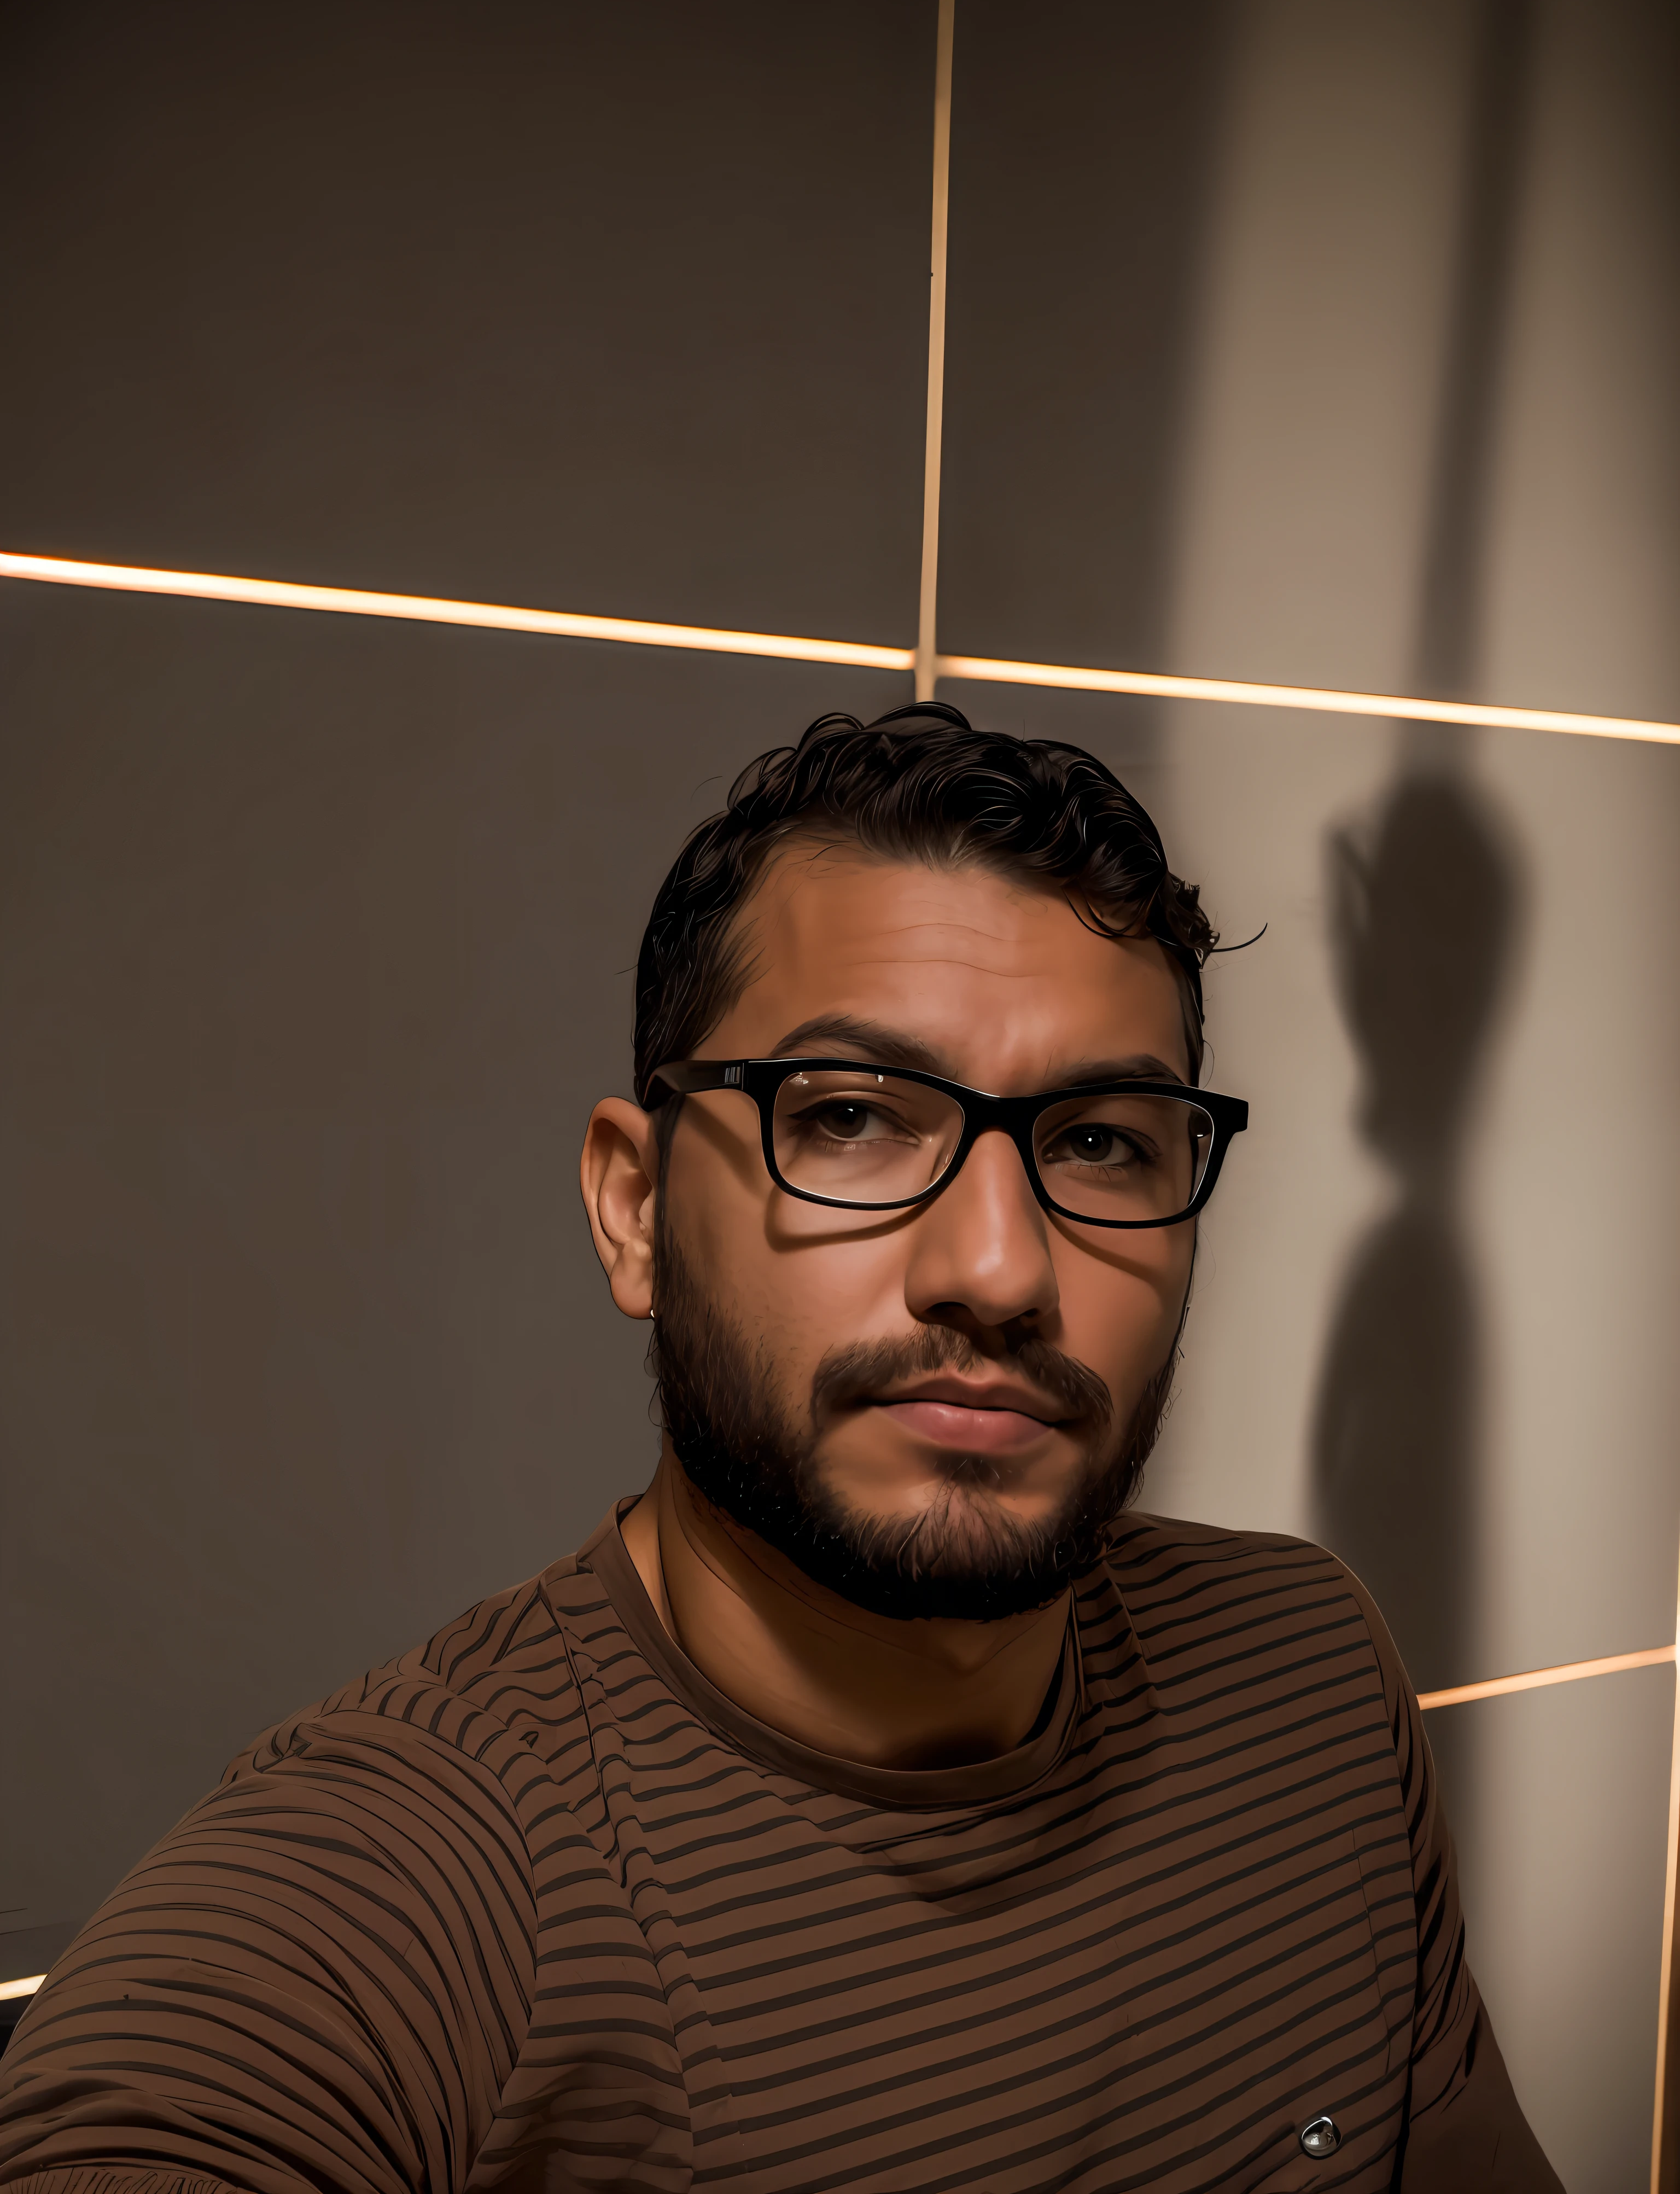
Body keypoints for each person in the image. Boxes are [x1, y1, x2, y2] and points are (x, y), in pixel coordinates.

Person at [0, 705, 1559, 2192]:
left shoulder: (1315, 1689)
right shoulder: (399, 1903)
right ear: (634, 1210)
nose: (1000, 1271)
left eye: (1099, 1143)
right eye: (854, 1119)